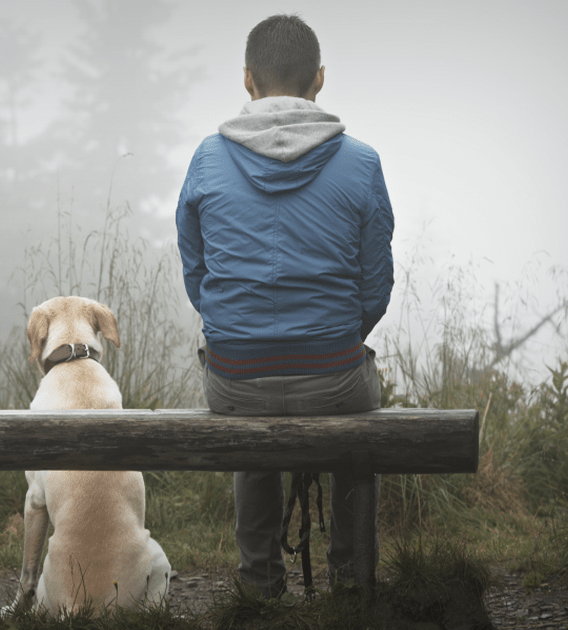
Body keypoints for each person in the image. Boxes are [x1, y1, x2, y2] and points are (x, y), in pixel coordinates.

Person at [175, 14, 394, 597]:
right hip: (335, 378)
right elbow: (376, 286)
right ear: (319, 79)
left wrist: (238, 329)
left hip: (235, 378)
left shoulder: (205, 160)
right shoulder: (362, 162)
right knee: (357, 421)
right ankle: (351, 582)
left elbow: (197, 272)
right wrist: (335, 338)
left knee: (250, 417)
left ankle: (259, 585)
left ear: (247, 80)